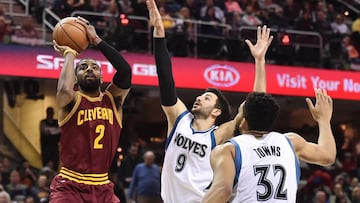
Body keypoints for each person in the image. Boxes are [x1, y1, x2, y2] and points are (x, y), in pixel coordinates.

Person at [146, 0, 273, 202]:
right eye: (200, 96)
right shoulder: (179, 119)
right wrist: (159, 33)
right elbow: (165, 78)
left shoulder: (219, 135)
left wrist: (259, 61)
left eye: (206, 98)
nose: (198, 98)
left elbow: (256, 106)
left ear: (216, 112)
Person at [201, 88, 336, 203]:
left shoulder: (229, 150)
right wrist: (323, 120)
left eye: (239, 114)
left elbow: (222, 190)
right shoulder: (291, 142)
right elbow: (328, 156)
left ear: (244, 122)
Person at [50, 16, 132, 203]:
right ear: (76, 79)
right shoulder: (71, 101)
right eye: (83, 68)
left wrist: (97, 41)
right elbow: (64, 89)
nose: (89, 69)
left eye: (94, 67)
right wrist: (70, 53)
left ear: (102, 78)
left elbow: (125, 71)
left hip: (103, 186)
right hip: (69, 185)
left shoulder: (113, 99)